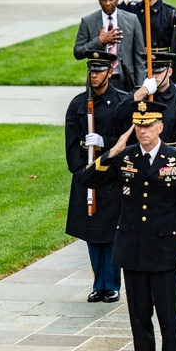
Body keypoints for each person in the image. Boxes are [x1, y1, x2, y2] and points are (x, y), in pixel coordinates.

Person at [79, 100, 176, 351]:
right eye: (139, 125)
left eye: (148, 126)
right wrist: (114, 151)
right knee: (140, 325)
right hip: (132, 254)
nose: (143, 131)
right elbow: (87, 179)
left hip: (166, 255)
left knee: (171, 326)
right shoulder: (126, 157)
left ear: (160, 126)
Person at [65, 51, 131, 303]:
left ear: (110, 72)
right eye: (91, 71)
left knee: (111, 233)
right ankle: (98, 284)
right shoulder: (78, 104)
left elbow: (130, 140)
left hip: (111, 177)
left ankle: (111, 284)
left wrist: (105, 142)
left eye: (99, 71)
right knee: (93, 233)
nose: (94, 75)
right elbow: (71, 144)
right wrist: (82, 172)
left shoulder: (122, 102)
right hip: (89, 176)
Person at [73, 0, 147, 91]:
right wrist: (99, 41)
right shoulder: (88, 22)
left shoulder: (132, 20)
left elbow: (139, 57)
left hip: (126, 80)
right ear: (99, 1)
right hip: (99, 80)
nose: (108, 3)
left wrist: (140, 86)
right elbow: (78, 52)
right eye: (104, 0)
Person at [120, 0, 176, 87]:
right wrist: (127, 0)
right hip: (140, 65)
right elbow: (118, 14)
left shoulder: (169, 12)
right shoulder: (133, 10)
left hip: (161, 66)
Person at [130, 51, 176, 148]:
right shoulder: (140, 94)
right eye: (151, 71)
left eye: (159, 71)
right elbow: (120, 115)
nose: (154, 76)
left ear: (169, 72)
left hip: (173, 157)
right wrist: (143, 91)